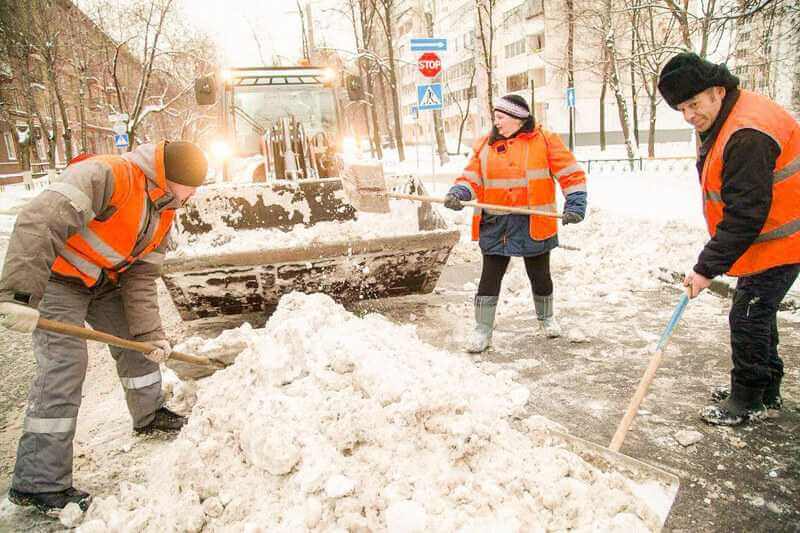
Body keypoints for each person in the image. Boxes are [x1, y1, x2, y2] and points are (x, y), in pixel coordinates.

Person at [0, 140, 208, 512]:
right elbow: (39, 220)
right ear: (169, 178)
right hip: (57, 279)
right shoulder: (108, 175)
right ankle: (38, 481)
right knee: (64, 367)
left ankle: (149, 414)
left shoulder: (165, 210)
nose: (193, 194)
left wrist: (150, 335)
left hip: (103, 282)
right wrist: (18, 296)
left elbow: (142, 278)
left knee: (136, 345)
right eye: (190, 187)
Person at [658, 53, 800, 426]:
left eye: (694, 104)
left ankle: (748, 399)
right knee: (756, 311)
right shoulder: (729, 117)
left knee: (748, 316)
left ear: (718, 91)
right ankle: (765, 390)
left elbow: (745, 213)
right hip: (770, 237)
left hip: (783, 239)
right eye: (681, 108)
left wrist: (706, 269)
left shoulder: (746, 134)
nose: (689, 115)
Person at [444, 94, 587, 353]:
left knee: (540, 275)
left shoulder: (544, 140)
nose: (496, 123)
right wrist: (459, 192)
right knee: (490, 276)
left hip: (534, 221)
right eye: (495, 117)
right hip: (496, 222)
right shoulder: (485, 145)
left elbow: (570, 172)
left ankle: (546, 319)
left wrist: (575, 203)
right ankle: (482, 330)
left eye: (500, 117)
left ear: (518, 118)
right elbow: (471, 176)